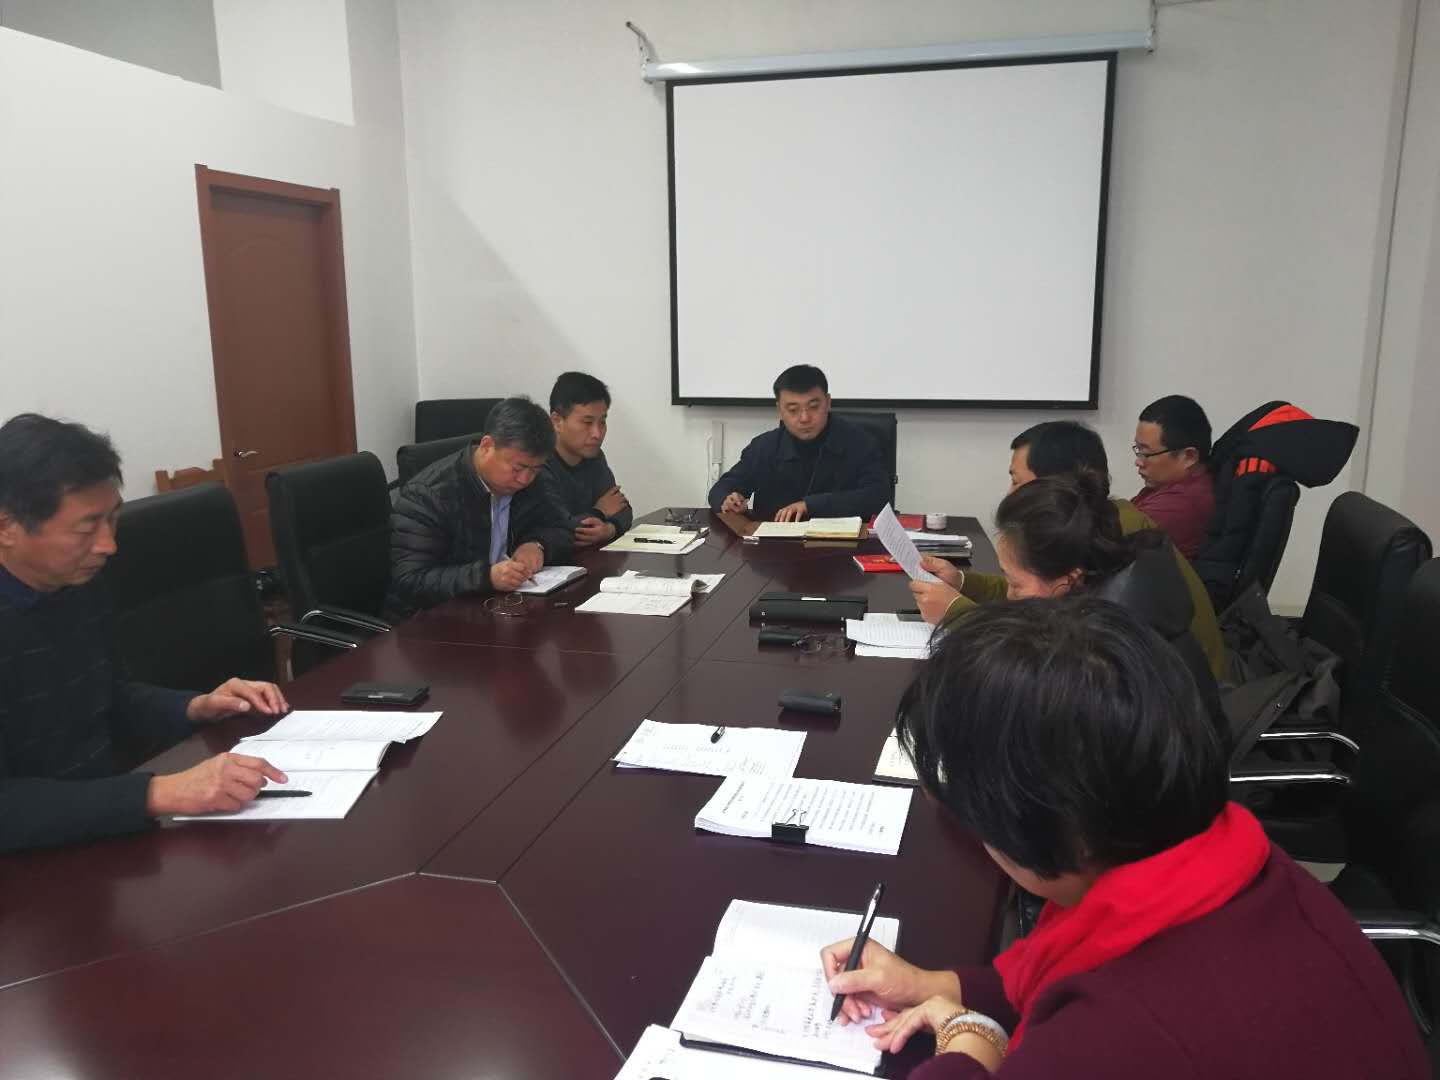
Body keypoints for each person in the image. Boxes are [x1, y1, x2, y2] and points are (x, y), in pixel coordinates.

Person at [820, 598, 1424, 1078]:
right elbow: (1048, 966)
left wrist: (969, 1036)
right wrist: (931, 985)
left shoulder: (1125, 1034)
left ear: (1063, 831)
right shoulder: (1226, 862)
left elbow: (1095, 1035)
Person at [0, 414, 290, 853]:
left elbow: (109, 697)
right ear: (7, 526)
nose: (108, 545)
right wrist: (161, 793)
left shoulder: (78, 585)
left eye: (112, 519)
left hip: (95, 831)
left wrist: (196, 706)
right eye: (87, 527)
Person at [910, 470, 1227, 683]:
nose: (1009, 595)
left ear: (1068, 580)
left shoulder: (1108, 640)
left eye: (1015, 584)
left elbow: (1030, 678)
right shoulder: (1108, 567)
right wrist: (964, 583)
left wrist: (957, 615)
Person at [1001, 419, 1226, 679]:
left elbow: (1051, 653)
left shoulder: (1108, 536)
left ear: (1054, 486)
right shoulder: (1102, 520)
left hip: (1181, 693)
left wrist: (964, 611)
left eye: (1017, 482)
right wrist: (965, 581)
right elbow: (1030, 588)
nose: (1010, 494)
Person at [387, 397, 574, 618]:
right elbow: (411, 580)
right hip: (432, 621)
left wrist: (537, 545)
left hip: (498, 607)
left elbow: (563, 527)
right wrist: (486, 577)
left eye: (534, 470)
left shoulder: (533, 480)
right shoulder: (427, 495)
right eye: (518, 468)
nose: (525, 479)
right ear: (486, 446)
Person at [707, 365, 889, 522]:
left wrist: (811, 505)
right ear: (780, 410)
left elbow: (877, 497)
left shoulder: (860, 442)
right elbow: (721, 488)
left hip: (843, 545)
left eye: (813, 407)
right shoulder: (764, 447)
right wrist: (728, 500)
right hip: (774, 547)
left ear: (828, 403)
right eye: (793, 410)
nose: (804, 418)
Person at [541, 372, 632, 548]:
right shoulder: (539, 463)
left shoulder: (594, 456)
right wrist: (600, 512)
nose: (597, 434)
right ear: (557, 421)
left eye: (602, 422)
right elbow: (558, 529)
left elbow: (621, 508)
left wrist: (609, 529)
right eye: (587, 422)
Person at [1131, 395, 1215, 558]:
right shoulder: (1166, 485)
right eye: (1138, 450)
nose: (1138, 462)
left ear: (1189, 456)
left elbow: (1102, 543)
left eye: (1146, 453)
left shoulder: (1180, 505)